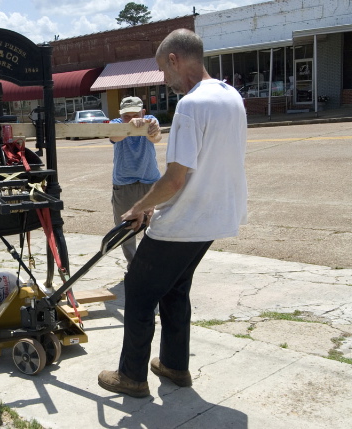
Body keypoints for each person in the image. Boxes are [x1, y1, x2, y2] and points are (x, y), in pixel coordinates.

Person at [98, 28, 248, 398]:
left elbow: (176, 178)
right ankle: (174, 366)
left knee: (138, 290)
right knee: (176, 289)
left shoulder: (192, 104)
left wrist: (139, 207)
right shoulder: (231, 96)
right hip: (216, 217)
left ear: (174, 60)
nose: (165, 81)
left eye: (163, 71)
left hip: (184, 221)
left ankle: (130, 376)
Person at [109, 96, 162, 270]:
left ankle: (152, 264)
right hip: (124, 184)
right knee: (126, 228)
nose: (131, 118)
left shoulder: (151, 120)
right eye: (126, 116)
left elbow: (156, 138)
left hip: (150, 182)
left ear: (143, 112)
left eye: (135, 114)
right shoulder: (116, 123)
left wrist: (148, 128)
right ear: (120, 115)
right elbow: (115, 136)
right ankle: (134, 266)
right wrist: (130, 126)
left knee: (154, 225)